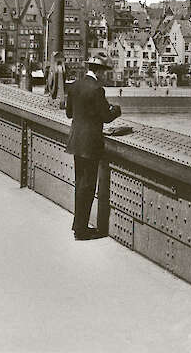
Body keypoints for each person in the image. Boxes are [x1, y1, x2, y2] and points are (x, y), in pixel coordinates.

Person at [65, 52, 122, 241]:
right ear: (99, 71)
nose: (105, 75)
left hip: (75, 141)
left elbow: (69, 113)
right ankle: (81, 231)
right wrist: (116, 110)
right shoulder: (97, 89)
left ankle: (77, 225)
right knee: (88, 186)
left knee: (80, 183)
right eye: (104, 72)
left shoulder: (74, 86)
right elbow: (106, 116)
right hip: (90, 144)